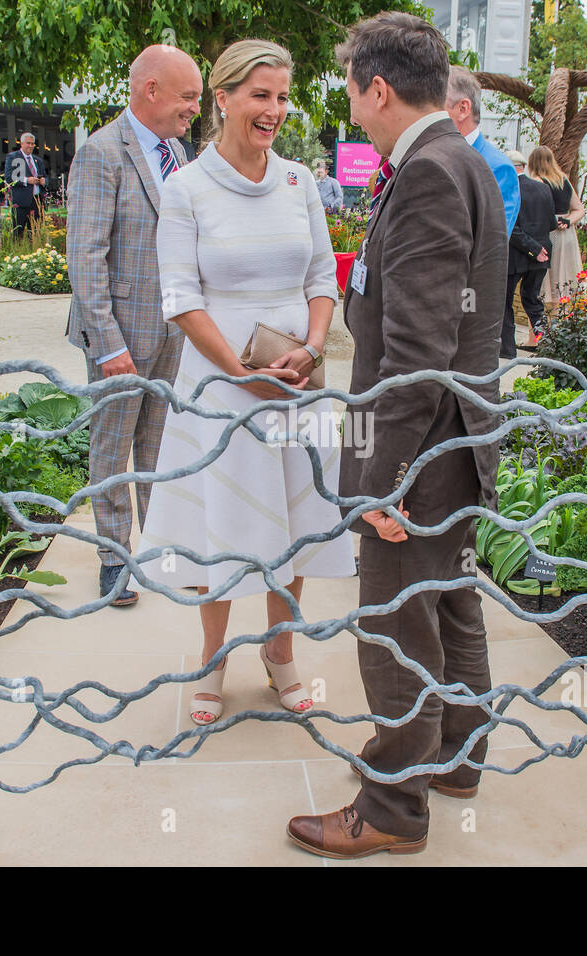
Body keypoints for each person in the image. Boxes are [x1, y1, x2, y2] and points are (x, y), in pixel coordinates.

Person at [287, 11, 504, 859]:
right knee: (450, 604)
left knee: (393, 622)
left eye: (351, 95)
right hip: (453, 441)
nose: (352, 113)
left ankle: (390, 809)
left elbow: (418, 351)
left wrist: (384, 476)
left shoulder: (425, 173)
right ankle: (456, 756)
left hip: (421, 450)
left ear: (378, 88)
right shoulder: (460, 157)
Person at [136, 39, 354, 725]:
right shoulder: (186, 189)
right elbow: (181, 297)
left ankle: (281, 654)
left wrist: (313, 350)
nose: (276, 111)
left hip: (295, 381)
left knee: (290, 523)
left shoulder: (298, 184)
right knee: (218, 528)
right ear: (223, 99)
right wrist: (240, 374)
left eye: (284, 97)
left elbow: (322, 277)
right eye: (262, 95)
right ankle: (212, 659)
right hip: (222, 387)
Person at [66, 44, 202, 606]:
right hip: (119, 337)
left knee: (159, 448)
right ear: (152, 90)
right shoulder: (102, 153)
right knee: (113, 448)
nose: (194, 108)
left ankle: (162, 551)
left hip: (172, 331)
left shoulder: (178, 152)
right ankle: (113, 561)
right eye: (188, 97)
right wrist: (107, 343)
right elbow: (86, 258)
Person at [445, 65, 518, 237]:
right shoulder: (428, 156)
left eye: (437, 105)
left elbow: (491, 245)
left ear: (463, 109)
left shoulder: (498, 168)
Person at [509, 148, 557, 354]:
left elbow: (511, 227)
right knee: (532, 300)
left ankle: (506, 348)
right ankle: (545, 342)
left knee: (505, 301)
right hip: (542, 256)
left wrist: (532, 248)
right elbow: (552, 223)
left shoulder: (509, 189)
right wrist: (538, 249)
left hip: (518, 255)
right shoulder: (543, 188)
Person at [530, 146, 584, 304]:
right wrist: (567, 221)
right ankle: (558, 325)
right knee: (562, 281)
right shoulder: (563, 180)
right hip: (567, 235)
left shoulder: (536, 182)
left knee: (543, 282)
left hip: (548, 233)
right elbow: (579, 209)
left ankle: (537, 328)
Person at [5, 133, 46, 238]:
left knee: (34, 233)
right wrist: (26, 180)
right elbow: (9, 178)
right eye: (28, 143)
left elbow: (45, 177)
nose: (31, 146)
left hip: (36, 201)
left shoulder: (38, 160)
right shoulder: (13, 157)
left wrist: (44, 181)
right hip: (21, 202)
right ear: (22, 143)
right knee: (18, 234)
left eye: (33, 144)